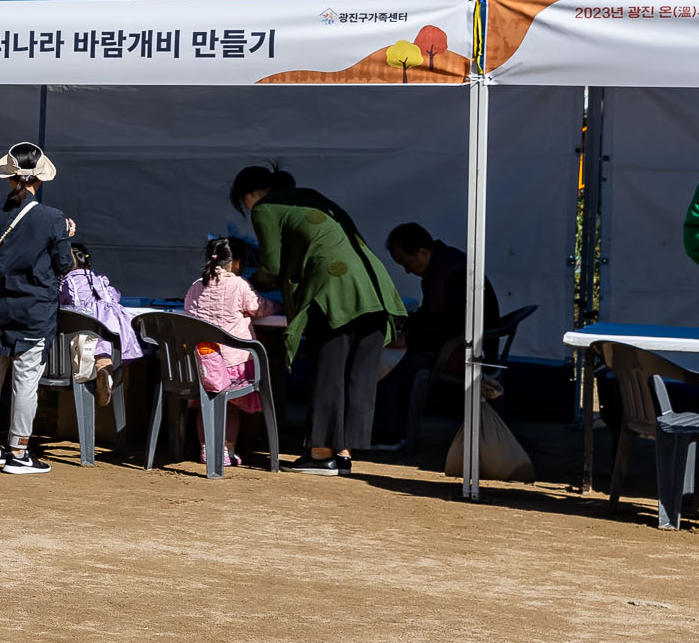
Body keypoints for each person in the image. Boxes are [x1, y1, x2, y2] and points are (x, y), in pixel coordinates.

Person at [233, 163, 407, 475]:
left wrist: (244, 283)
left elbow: (272, 265)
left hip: (335, 290)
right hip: (375, 289)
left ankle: (320, 453)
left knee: (328, 372)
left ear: (251, 194)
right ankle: (343, 452)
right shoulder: (311, 196)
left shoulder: (266, 207)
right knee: (355, 375)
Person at [0, 142, 76, 476]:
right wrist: (67, 236)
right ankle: (18, 451)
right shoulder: (52, 218)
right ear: (39, 180)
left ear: (10, 177)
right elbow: (63, 264)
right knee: (25, 382)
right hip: (32, 309)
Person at [376, 221, 498, 448]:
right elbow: (431, 313)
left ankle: (387, 434)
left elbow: (449, 325)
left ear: (423, 252)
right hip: (458, 343)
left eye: (407, 263)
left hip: (465, 351)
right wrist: (406, 326)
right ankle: (394, 429)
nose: (407, 271)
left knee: (391, 368)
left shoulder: (453, 273)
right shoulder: (444, 265)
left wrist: (409, 339)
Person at [183, 236, 277, 466]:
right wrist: (279, 305)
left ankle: (206, 450)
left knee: (203, 408)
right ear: (235, 262)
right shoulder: (239, 285)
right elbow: (258, 307)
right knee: (231, 407)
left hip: (203, 366)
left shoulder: (196, 285)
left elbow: (188, 312)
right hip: (233, 366)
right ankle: (227, 450)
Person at [58, 242, 143, 370]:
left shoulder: (67, 282)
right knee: (107, 350)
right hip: (111, 323)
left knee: (91, 349)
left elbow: (59, 301)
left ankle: (100, 372)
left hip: (86, 323)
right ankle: (107, 373)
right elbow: (115, 295)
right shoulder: (100, 279)